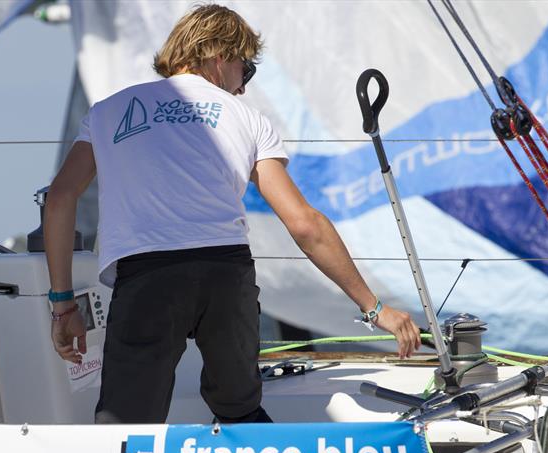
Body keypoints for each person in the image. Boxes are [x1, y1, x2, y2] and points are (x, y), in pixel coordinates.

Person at [44, 4, 421, 424]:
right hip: (225, 274)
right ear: (221, 56)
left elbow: (60, 199)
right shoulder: (249, 120)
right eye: (247, 68)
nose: (243, 86)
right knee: (239, 408)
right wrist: (374, 309)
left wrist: (62, 305)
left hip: (146, 276)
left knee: (126, 421)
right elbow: (304, 224)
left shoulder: (108, 111)